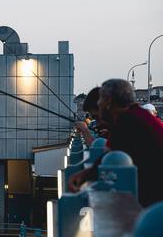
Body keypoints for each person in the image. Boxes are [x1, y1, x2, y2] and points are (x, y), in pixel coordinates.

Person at [69, 79, 163, 207]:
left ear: (108, 102)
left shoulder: (127, 121)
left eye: (100, 100)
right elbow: (112, 154)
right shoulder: (135, 115)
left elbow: (112, 155)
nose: (99, 104)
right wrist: (86, 174)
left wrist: (85, 175)